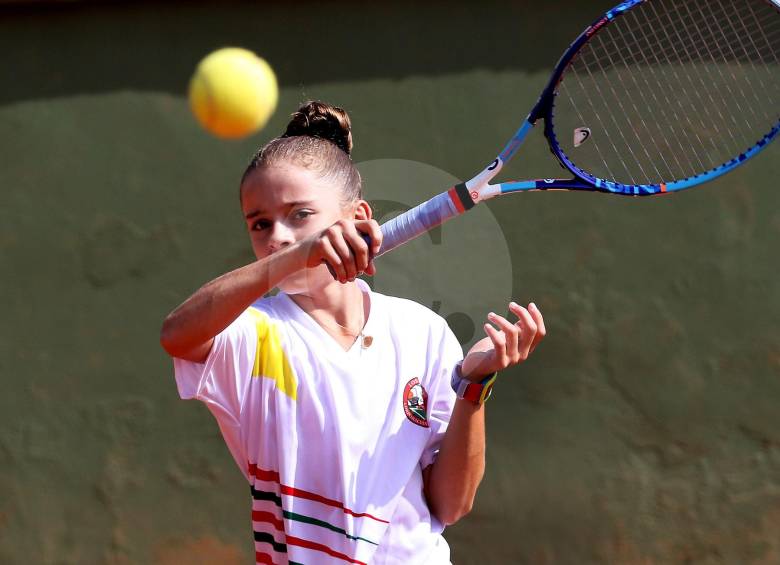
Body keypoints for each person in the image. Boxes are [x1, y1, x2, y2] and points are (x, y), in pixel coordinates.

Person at [160, 100, 546, 565]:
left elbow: (451, 505)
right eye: (260, 224)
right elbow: (177, 335)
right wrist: (296, 255)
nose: (277, 235)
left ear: (358, 219)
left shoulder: (422, 332)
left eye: (299, 214)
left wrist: (473, 385)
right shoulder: (254, 334)